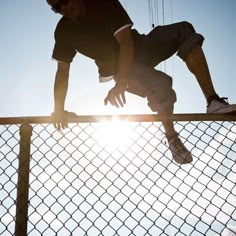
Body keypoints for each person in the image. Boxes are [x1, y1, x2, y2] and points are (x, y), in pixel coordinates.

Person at [46, 0, 236, 164]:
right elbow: (62, 72)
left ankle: (213, 101)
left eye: (63, 0)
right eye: (55, 8)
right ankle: (172, 137)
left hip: (140, 47)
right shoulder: (64, 31)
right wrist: (59, 109)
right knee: (162, 83)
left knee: (183, 29)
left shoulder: (103, 3)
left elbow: (126, 42)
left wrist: (122, 84)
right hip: (118, 68)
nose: (62, 8)